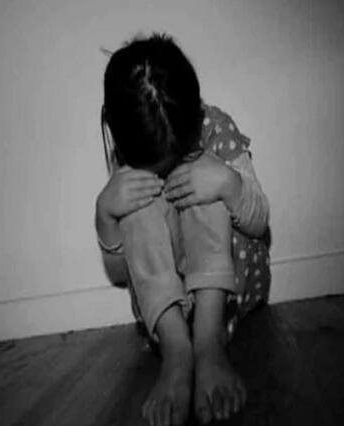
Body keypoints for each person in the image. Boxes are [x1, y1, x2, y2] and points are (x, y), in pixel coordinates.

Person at [95, 33, 270, 426]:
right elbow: (121, 273)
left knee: (204, 178)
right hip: (166, 311)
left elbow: (260, 223)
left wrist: (226, 182)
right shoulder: (132, 145)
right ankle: (177, 350)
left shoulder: (217, 129)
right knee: (134, 199)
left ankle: (208, 343)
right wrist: (105, 215)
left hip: (226, 294)